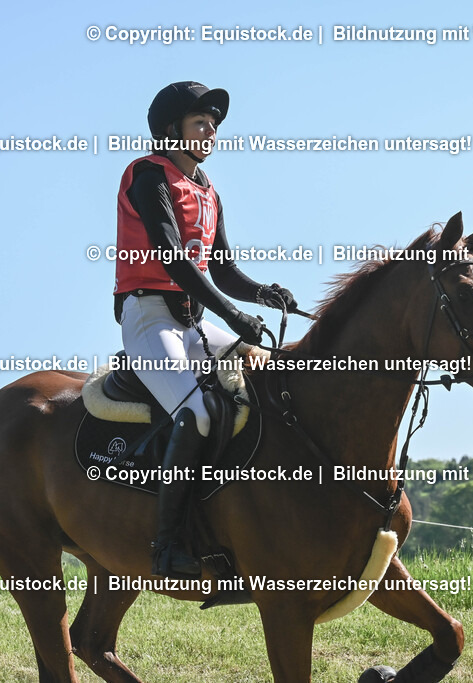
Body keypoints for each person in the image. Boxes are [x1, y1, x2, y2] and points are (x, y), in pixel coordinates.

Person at [114, 81, 296, 576]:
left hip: (193, 322)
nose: (212, 129)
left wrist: (261, 293)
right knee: (195, 412)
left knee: (271, 373)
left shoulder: (208, 190)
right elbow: (172, 259)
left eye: (214, 123)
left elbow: (223, 269)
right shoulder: (146, 175)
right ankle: (167, 547)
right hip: (150, 318)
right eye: (201, 122)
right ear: (172, 130)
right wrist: (234, 316)